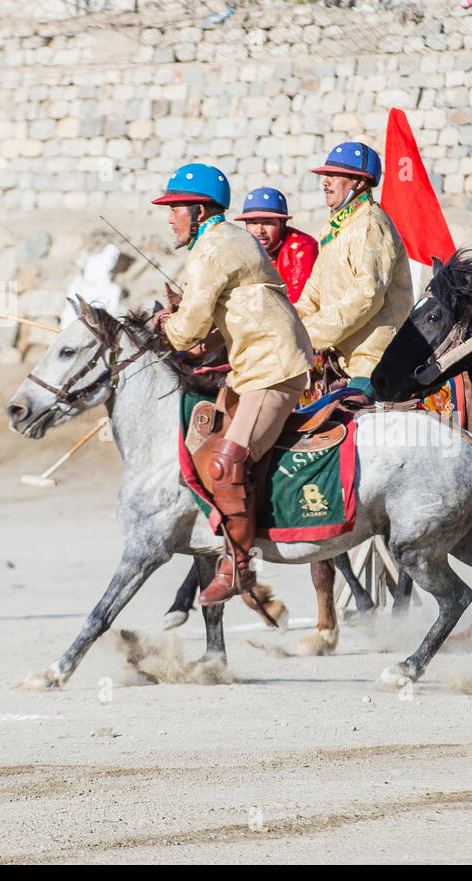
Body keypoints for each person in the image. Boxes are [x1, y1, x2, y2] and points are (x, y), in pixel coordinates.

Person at [150, 162, 315, 605]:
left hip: (273, 368)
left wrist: (164, 324)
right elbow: (242, 306)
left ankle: (240, 568)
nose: (169, 218)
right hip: (253, 365)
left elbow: (186, 328)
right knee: (204, 448)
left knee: (226, 463)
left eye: (175, 209)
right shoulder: (229, 238)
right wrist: (212, 339)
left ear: (199, 211)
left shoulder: (211, 248)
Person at [295, 141, 414, 399]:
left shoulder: (371, 225)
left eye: (334, 176)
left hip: (373, 360)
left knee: (348, 425)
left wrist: (311, 332)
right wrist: (291, 322)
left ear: (359, 183)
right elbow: (313, 290)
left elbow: (367, 296)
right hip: (337, 356)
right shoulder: (335, 229)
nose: (325, 182)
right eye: (325, 175)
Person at [234, 187, 319, 303]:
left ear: (282, 224)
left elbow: (299, 302)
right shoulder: (242, 249)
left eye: (268, 223)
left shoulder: (302, 248)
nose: (260, 230)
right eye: (253, 223)